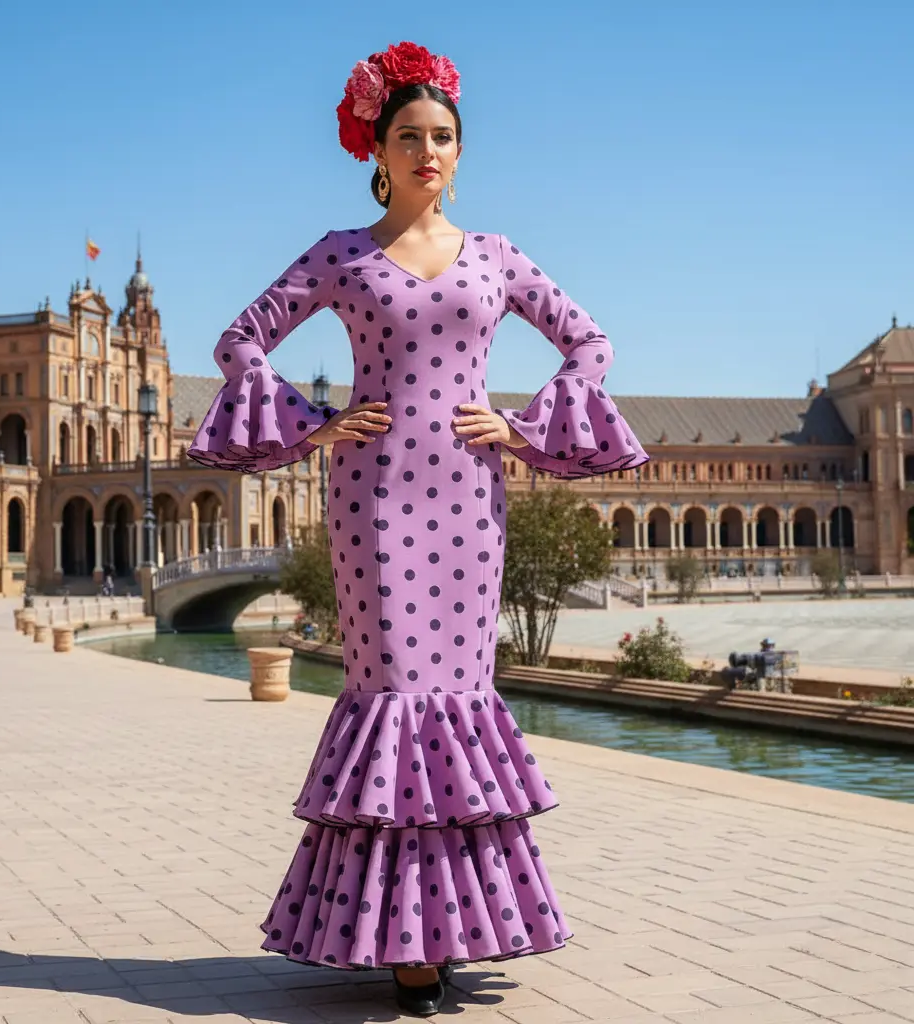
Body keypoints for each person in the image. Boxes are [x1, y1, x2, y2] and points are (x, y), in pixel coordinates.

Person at [188, 41, 649, 1017]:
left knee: (456, 697)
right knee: (396, 691)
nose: (428, 151)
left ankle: (454, 924)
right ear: (378, 150)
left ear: (459, 150)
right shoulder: (340, 254)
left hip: (471, 493)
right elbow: (239, 341)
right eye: (409, 137)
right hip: (376, 493)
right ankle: (402, 939)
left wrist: (522, 426)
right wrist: (315, 424)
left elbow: (589, 341)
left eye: (442, 136)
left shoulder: (497, 257)